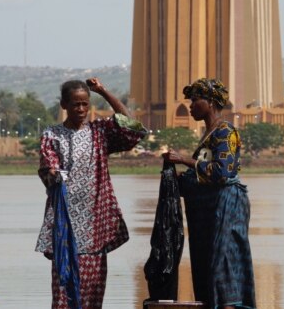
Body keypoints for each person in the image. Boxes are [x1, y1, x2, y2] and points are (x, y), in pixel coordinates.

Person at [35, 78, 147, 309]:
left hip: (95, 225)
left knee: (93, 295)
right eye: (76, 104)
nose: (81, 109)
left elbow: (130, 125)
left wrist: (104, 91)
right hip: (65, 226)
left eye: (85, 104)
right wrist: (53, 173)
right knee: (64, 294)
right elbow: (48, 167)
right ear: (64, 105)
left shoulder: (100, 132)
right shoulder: (52, 134)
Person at [162, 78, 256, 309]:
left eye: (195, 100)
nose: (191, 105)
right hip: (208, 211)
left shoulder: (226, 132)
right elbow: (203, 177)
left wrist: (184, 159)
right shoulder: (209, 134)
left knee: (223, 265)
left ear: (211, 102)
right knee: (206, 266)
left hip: (226, 207)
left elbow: (222, 173)